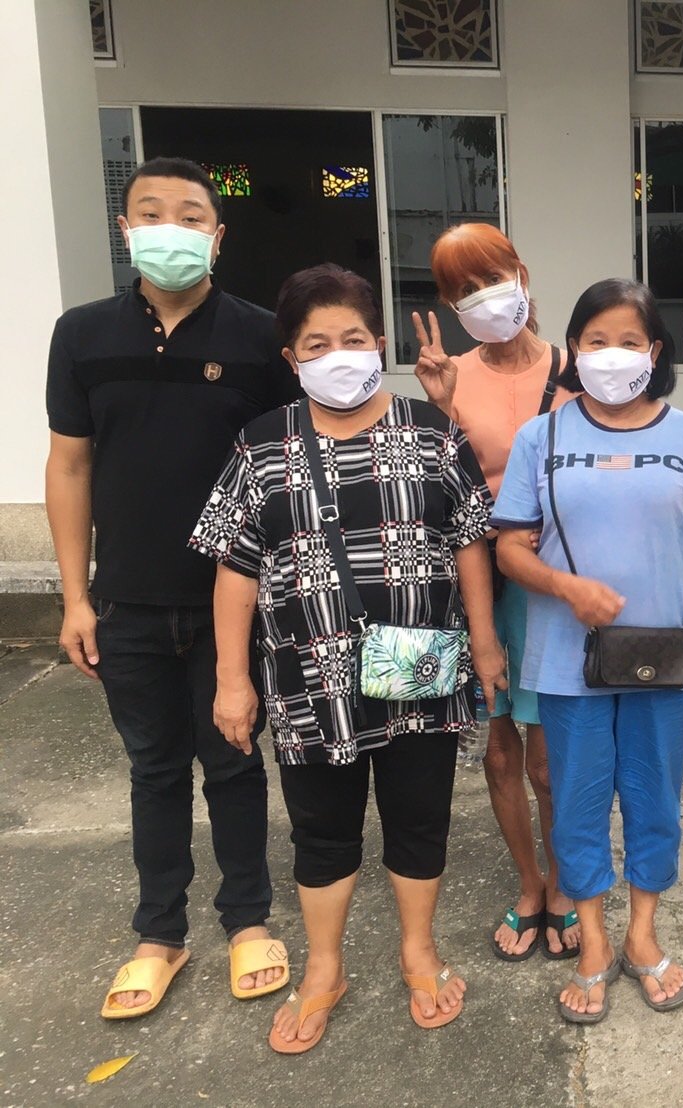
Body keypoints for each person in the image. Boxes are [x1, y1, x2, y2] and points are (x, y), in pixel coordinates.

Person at [190, 264, 506, 1052]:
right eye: (317, 343)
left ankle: (418, 952)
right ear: (292, 359)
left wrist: (488, 642)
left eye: (354, 338)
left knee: (419, 818)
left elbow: (471, 544)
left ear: (380, 344)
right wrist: (232, 680)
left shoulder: (433, 432)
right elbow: (236, 566)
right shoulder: (262, 444)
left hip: (420, 670)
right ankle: (324, 968)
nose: (340, 354)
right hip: (307, 680)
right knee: (321, 831)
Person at [45, 156, 299, 1020]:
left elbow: (287, 462)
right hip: (127, 600)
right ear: (125, 229)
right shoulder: (80, 334)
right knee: (152, 770)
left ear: (217, 236)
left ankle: (248, 922)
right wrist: (76, 596)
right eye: (151, 212)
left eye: (190, 216)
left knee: (233, 763)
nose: (171, 228)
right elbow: (70, 463)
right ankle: (159, 934)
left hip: (236, 602)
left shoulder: (262, 337)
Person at [494, 277, 683, 1024]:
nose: (610, 355)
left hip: (665, 662)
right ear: (572, 349)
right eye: (594, 340)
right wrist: (567, 589)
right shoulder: (545, 436)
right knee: (578, 802)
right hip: (569, 661)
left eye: (628, 340)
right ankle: (593, 942)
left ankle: (642, 935)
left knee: (656, 800)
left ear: (655, 351)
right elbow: (507, 549)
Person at [414, 222, 581, 962]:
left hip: (550, 585)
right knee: (501, 748)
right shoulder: (448, 375)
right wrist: (442, 407)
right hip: (477, 583)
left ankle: (569, 881)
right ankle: (528, 883)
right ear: (451, 304)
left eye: (491, 276)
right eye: (463, 289)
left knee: (551, 756)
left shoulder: (579, 365)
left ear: (520, 271)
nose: (483, 296)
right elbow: (438, 492)